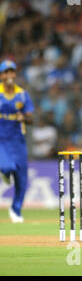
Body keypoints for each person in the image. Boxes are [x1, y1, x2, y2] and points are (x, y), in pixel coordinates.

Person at [0, 60, 34, 223]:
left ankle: (16, 210)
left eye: (11, 72)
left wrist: (24, 117)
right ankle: (5, 173)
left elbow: (31, 117)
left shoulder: (22, 94)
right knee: (7, 166)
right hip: (1, 140)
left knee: (22, 178)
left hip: (18, 140)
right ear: (1, 76)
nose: (9, 75)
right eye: (6, 72)